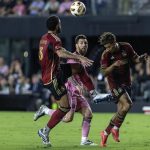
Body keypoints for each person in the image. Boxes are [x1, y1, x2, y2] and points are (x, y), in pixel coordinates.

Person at [34, 34, 112, 146]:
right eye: (81, 43)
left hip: (77, 92)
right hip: (70, 90)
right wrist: (77, 85)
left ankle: (84, 140)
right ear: (76, 45)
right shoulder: (73, 58)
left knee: (88, 113)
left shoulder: (82, 59)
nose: (84, 45)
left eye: (86, 43)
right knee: (67, 118)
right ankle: (45, 110)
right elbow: (68, 75)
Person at [99, 32, 148, 147]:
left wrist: (141, 58)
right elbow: (103, 72)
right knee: (127, 105)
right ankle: (107, 131)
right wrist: (114, 65)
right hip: (114, 83)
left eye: (109, 46)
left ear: (114, 42)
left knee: (122, 109)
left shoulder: (126, 46)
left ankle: (114, 129)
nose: (108, 49)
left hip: (126, 82)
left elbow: (135, 59)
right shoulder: (105, 55)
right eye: (106, 47)